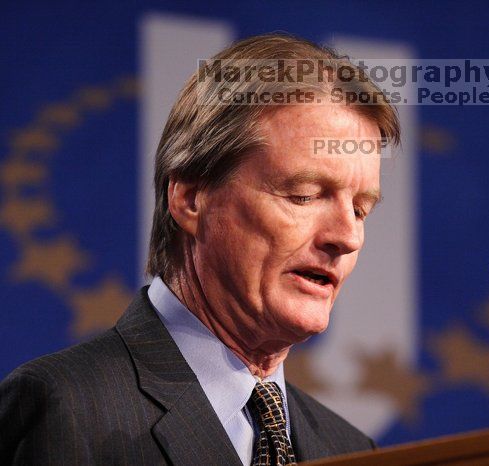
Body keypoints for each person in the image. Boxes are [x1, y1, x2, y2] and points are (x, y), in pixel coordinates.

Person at [0, 33, 400, 465]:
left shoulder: (351, 450)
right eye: (303, 195)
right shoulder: (66, 409)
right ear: (191, 198)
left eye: (361, 210)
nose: (347, 237)